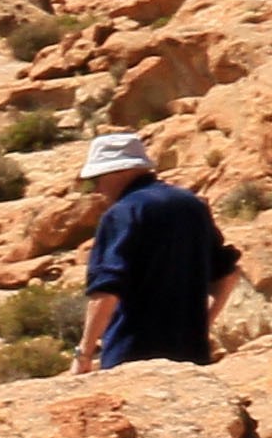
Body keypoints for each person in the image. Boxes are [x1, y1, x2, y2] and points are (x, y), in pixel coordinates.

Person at [76, 130, 241, 370]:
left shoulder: (123, 213)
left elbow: (106, 291)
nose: (97, 189)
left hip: (132, 355)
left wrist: (84, 354)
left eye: (98, 178)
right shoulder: (191, 204)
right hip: (191, 355)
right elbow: (228, 274)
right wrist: (203, 324)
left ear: (120, 171)